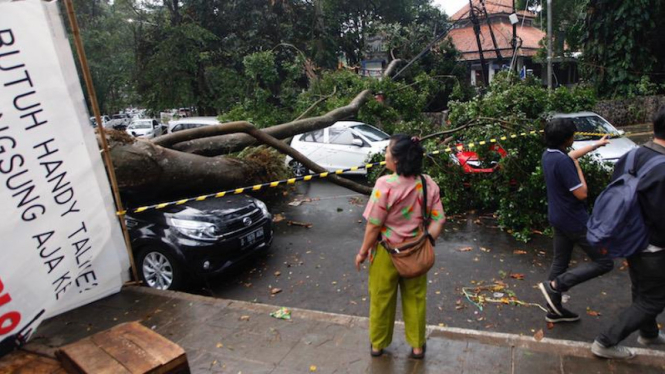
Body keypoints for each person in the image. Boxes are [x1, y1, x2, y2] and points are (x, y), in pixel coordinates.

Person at [355, 135, 445, 359]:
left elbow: (374, 226)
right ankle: (417, 346)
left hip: (386, 253)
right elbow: (439, 219)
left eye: (387, 150)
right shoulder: (427, 183)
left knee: (381, 298)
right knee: (415, 299)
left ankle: (377, 345)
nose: (385, 154)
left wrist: (363, 252)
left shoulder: (385, 185)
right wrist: (429, 240)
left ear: (396, 160)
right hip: (416, 254)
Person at [591, 107, 665, 359]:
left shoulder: (633, 155)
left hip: (629, 237)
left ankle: (649, 334)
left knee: (642, 289)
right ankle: (605, 342)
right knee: (653, 300)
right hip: (653, 245)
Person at [538, 118, 613, 323]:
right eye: (573, 135)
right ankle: (557, 284)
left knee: (560, 261)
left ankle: (554, 309)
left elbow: (570, 156)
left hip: (558, 217)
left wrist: (596, 144)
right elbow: (582, 193)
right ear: (567, 139)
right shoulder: (564, 161)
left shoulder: (549, 155)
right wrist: (578, 167)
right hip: (575, 221)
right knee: (605, 262)